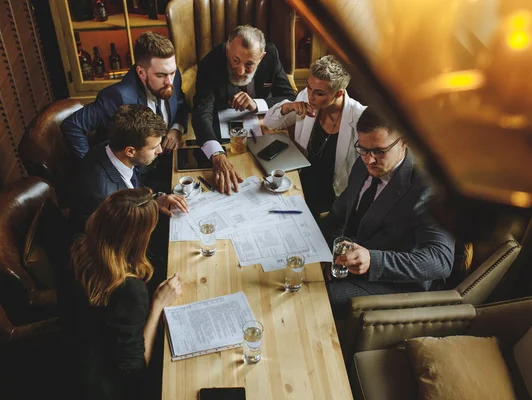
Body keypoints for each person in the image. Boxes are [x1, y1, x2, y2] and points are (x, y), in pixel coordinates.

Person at [321, 107, 455, 317]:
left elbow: (440, 261)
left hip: (396, 283)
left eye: (379, 151)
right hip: (348, 262)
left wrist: (374, 261)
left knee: (319, 297)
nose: (369, 160)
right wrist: (321, 251)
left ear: (405, 141)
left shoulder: (428, 187)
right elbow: (339, 212)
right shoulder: (363, 163)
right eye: (363, 149)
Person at [61, 188, 183, 400]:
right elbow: (133, 369)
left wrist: (154, 201)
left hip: (79, 348)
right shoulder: (128, 290)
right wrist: (157, 304)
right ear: (136, 240)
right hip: (108, 385)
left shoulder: (80, 245)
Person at [192, 25, 296, 195]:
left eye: (249, 64)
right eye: (235, 60)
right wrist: (217, 154)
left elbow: (290, 98)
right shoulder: (210, 63)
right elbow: (201, 111)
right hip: (223, 133)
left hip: (261, 130)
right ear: (227, 50)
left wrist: (256, 105)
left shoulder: (271, 56)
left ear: (261, 58)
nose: (240, 71)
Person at [263, 55, 366, 216]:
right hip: (299, 183)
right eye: (309, 87)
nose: (310, 96)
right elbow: (270, 123)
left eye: (318, 93)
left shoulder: (359, 118)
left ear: (338, 94)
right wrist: (288, 106)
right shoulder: (307, 98)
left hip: (333, 197)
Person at [61, 32, 188, 158]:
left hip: (167, 160)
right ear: (141, 72)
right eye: (161, 75)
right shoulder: (117, 97)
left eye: (172, 72)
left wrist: (177, 128)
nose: (169, 82)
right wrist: (92, 168)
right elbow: (73, 126)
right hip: (135, 174)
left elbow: (180, 102)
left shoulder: (173, 79)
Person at [69, 104, 188, 233]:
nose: (160, 150)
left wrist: (155, 200)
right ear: (130, 151)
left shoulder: (111, 148)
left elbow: (133, 191)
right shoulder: (106, 198)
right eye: (154, 147)